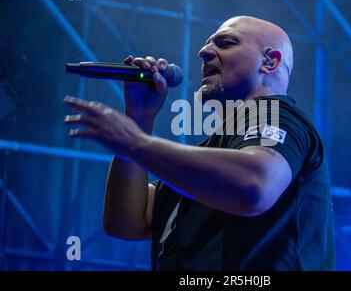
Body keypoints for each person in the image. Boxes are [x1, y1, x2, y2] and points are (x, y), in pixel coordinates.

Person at [63, 16, 336, 270]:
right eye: (207, 43)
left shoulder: (275, 113)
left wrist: (135, 142)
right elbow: (126, 221)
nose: (203, 52)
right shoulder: (208, 157)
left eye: (226, 43)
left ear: (269, 61)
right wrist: (139, 117)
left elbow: (255, 187)